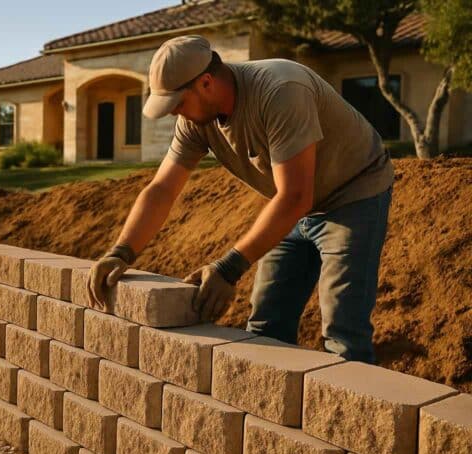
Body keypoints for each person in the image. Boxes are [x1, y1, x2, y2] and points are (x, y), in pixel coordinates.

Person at [86, 35, 394, 364]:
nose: (176, 113)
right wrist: (122, 251)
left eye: (178, 103)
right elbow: (162, 189)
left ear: (205, 82)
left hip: (353, 194)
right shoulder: (195, 120)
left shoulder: (280, 91)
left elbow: (295, 196)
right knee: (266, 323)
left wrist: (228, 268)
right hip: (294, 204)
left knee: (343, 330)